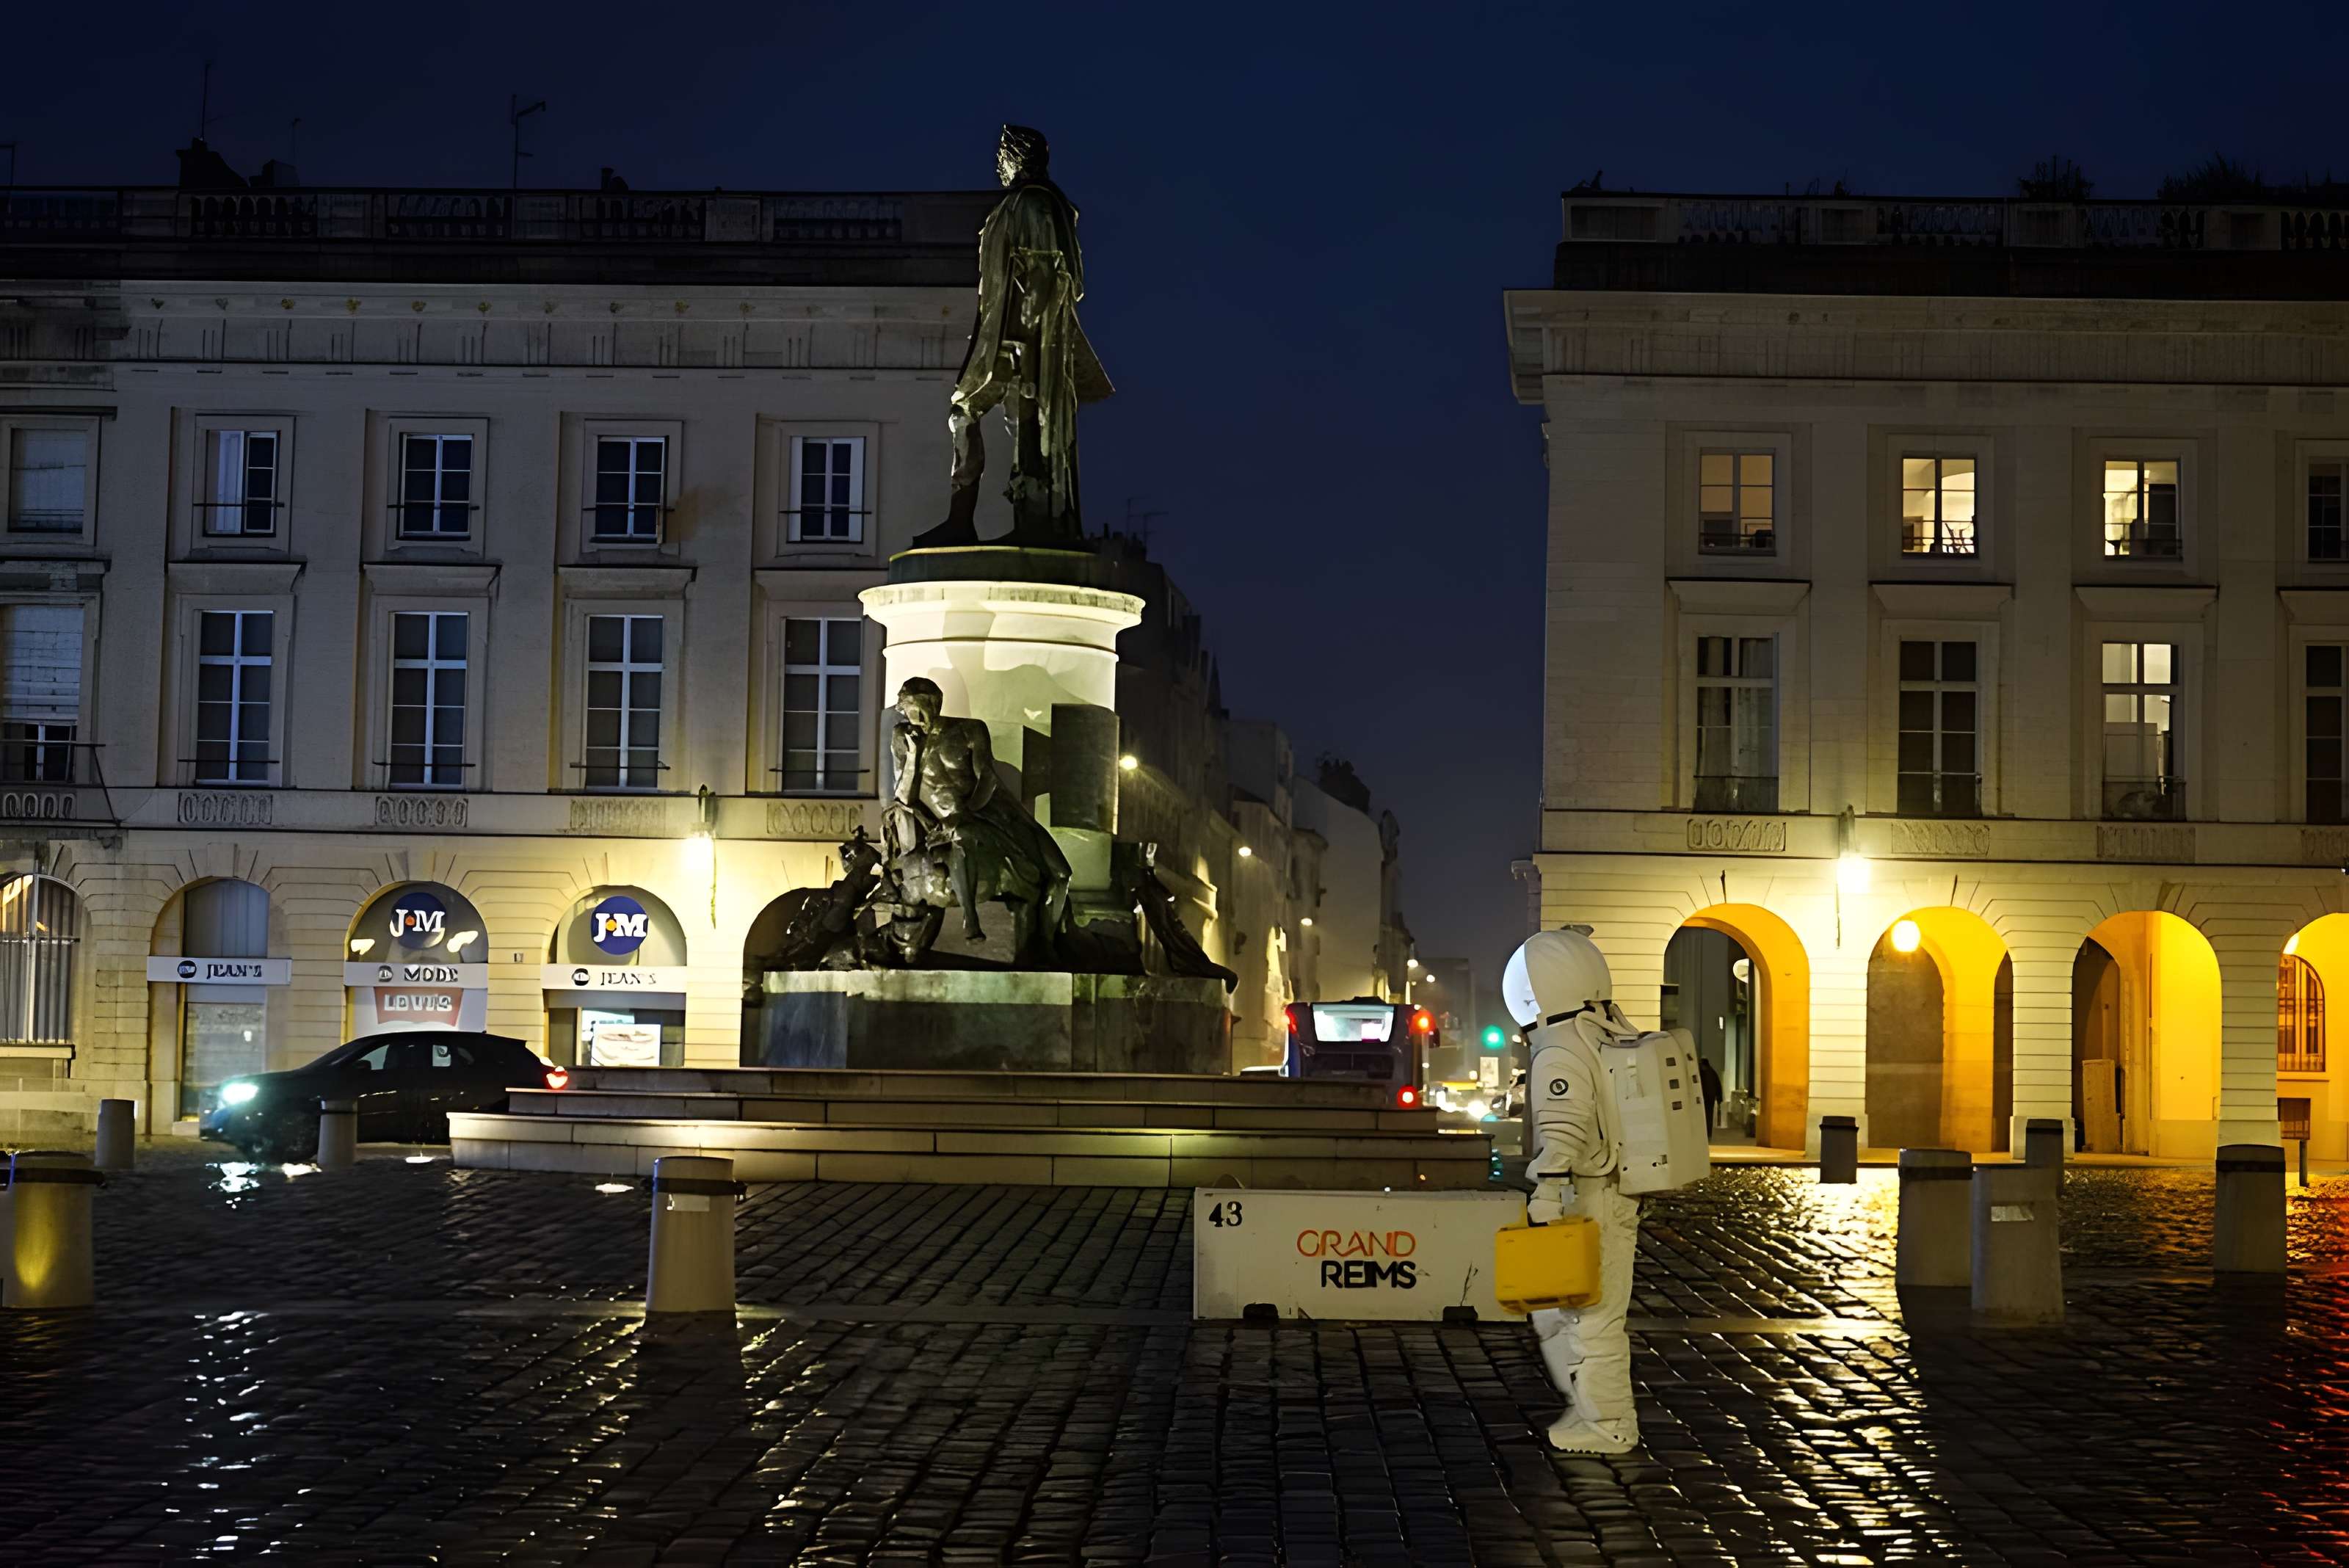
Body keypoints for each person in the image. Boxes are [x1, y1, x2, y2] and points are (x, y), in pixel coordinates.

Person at [1503, 926, 1644, 1455]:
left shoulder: (1560, 1048)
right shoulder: (1603, 1031)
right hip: (1608, 1187)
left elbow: (1564, 1127)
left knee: (1593, 1315)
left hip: (1589, 1193)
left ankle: (1608, 1424)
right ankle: (1589, 1405)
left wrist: (1546, 1187)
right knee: (1571, 1307)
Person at [1699, 1054, 1723, 1136]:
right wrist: (1719, 1098)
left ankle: (1707, 1134)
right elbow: (1718, 1086)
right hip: (1707, 1098)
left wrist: (1719, 1098)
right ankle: (1706, 1134)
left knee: (1707, 1116)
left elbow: (1717, 1086)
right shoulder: (1712, 1073)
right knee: (1707, 1116)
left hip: (1707, 1099)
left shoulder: (1703, 1073)